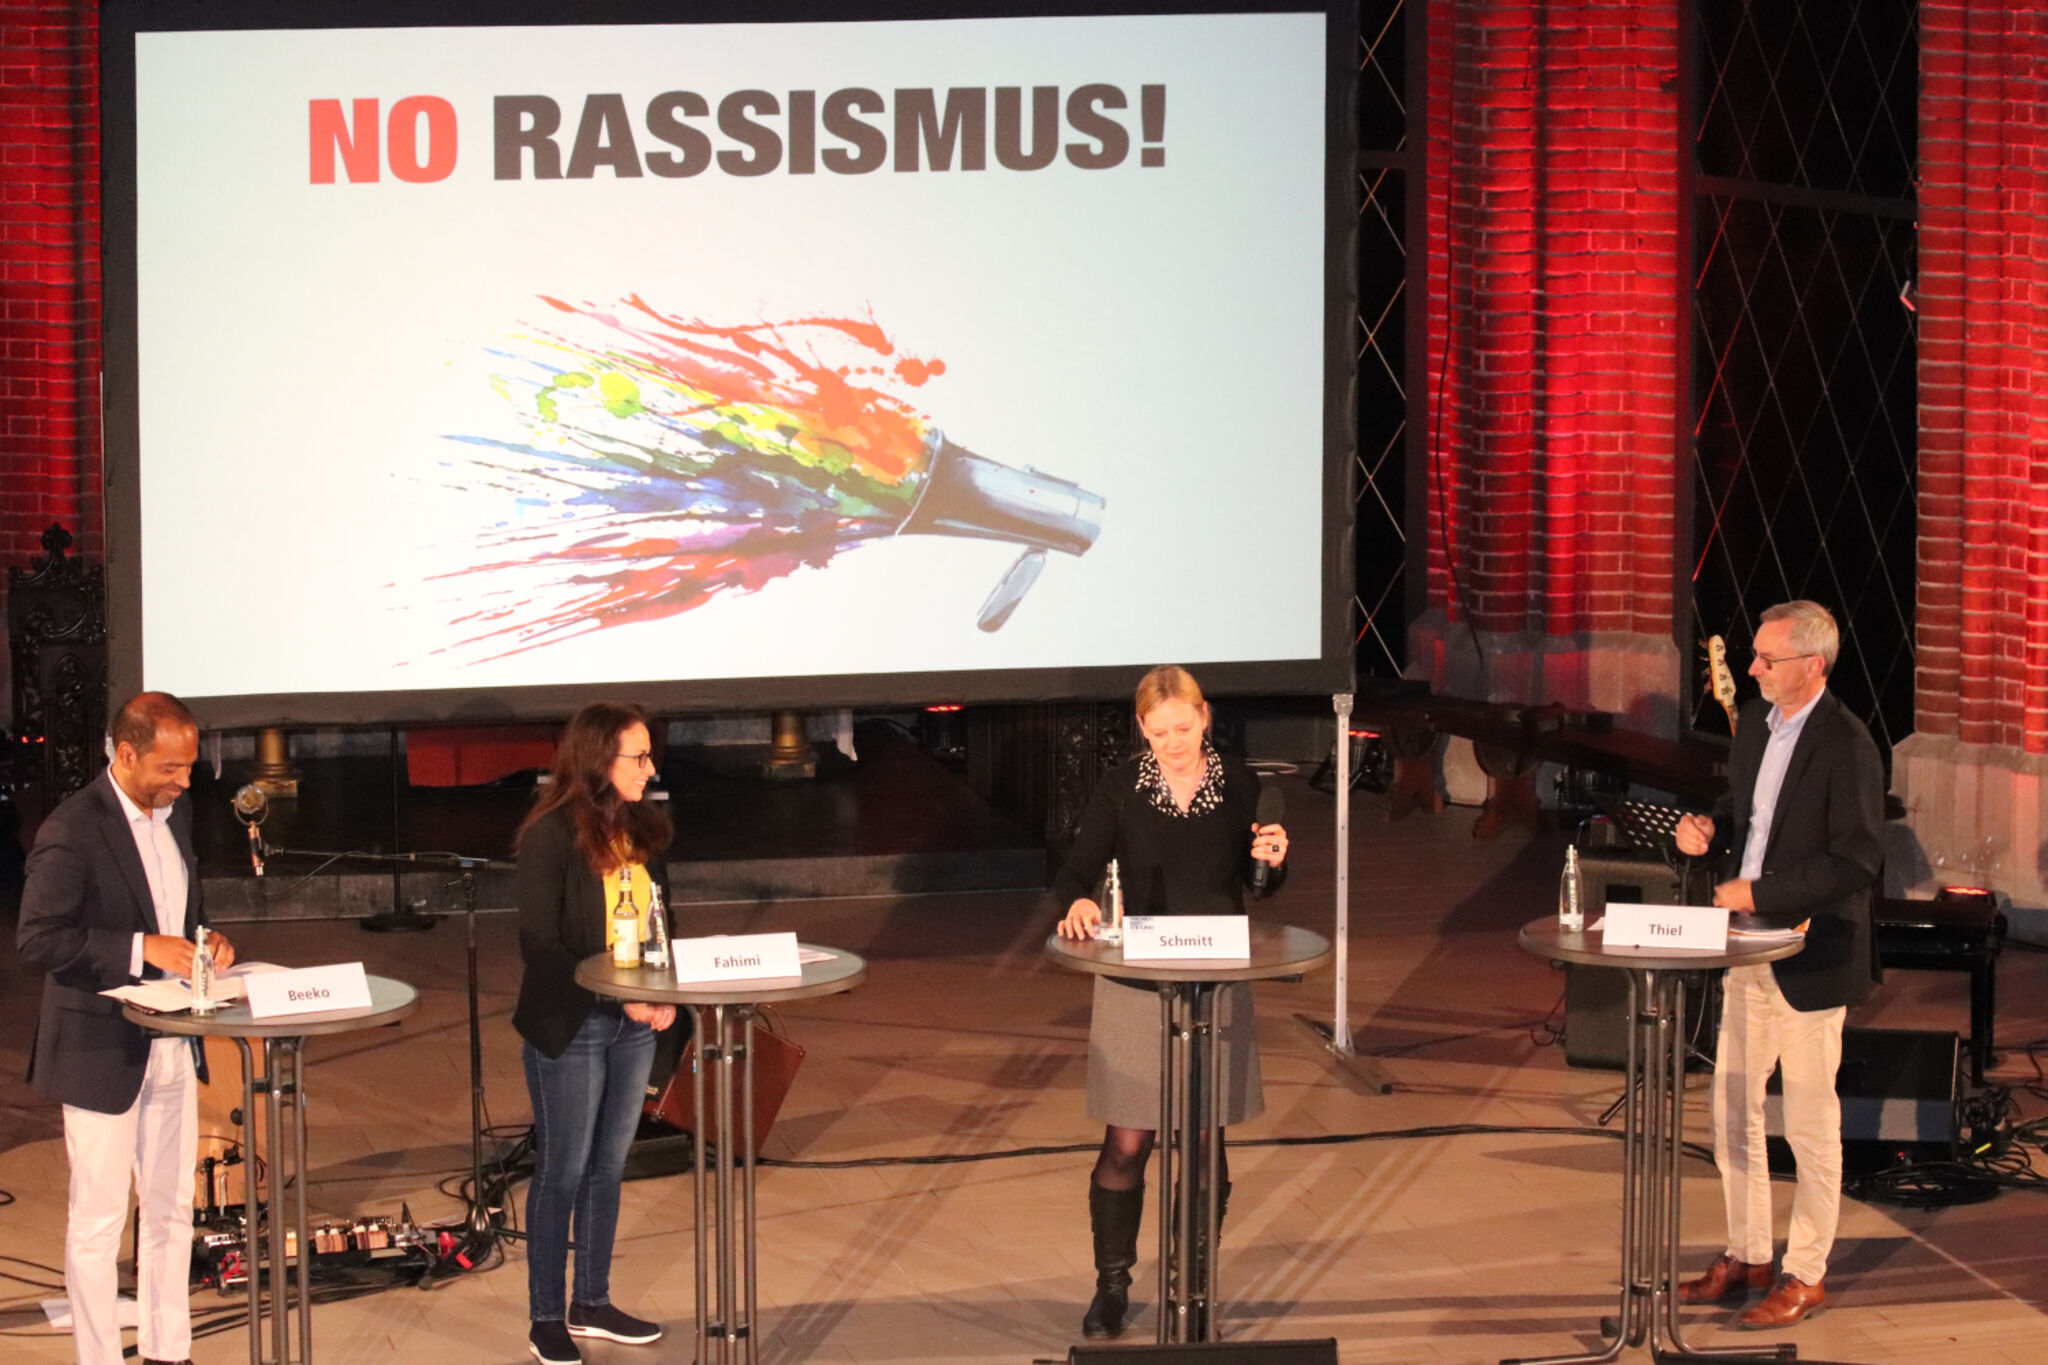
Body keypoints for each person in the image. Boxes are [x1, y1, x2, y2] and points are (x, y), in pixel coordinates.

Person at [1053, 665, 1289, 1340]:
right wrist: (1078, 899)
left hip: (1215, 980)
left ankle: (1194, 1284)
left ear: (1204, 716)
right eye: (1159, 734)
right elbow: (1078, 868)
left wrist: (1273, 858)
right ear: (1143, 731)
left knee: (1206, 1141)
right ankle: (1112, 1288)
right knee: (1128, 1141)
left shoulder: (1242, 784)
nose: (1174, 743)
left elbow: (1261, 881)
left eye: (1183, 728)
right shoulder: (1124, 785)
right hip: (1136, 982)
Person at [1673, 601, 1884, 1329]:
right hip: (1747, 946)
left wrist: (1761, 891)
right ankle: (1749, 1253)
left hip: (1811, 954)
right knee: (1731, 1108)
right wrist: (1710, 827)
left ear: (1813, 666)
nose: (1752, 669)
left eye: (1767, 659)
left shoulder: (1848, 744)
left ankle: (1806, 1272)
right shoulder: (1758, 730)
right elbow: (1747, 812)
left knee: (1809, 1123)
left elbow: (1854, 859)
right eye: (1755, 656)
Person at [17, 692, 235, 1365]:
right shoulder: (72, 827)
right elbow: (38, 940)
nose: (184, 780)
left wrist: (206, 942)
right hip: (99, 1051)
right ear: (127, 752)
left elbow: (178, 910)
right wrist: (142, 949)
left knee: (171, 1209)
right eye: (171, 767)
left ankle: (170, 1350)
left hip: (172, 1043)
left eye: (190, 767)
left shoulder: (180, 813)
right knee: (99, 1220)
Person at [512, 702, 682, 1365]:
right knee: (563, 1169)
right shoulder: (550, 833)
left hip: (633, 1023)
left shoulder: (643, 829)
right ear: (596, 761)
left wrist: (665, 994)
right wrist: (617, 994)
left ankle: (593, 1300)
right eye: (637, 757)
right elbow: (540, 942)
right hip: (574, 1022)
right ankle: (546, 1316)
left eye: (648, 754)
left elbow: (664, 922)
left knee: (608, 1168)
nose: (650, 767)